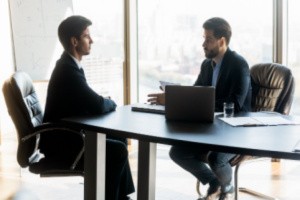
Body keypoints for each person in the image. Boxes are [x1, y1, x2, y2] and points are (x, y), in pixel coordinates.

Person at [148, 17, 252, 200]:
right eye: (203, 38)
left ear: (221, 41)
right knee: (177, 152)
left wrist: (186, 100)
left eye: (208, 39)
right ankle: (215, 182)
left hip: (235, 131)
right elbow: (195, 94)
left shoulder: (238, 64)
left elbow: (234, 105)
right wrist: (173, 97)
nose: (203, 44)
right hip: (212, 128)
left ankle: (226, 189)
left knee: (216, 158)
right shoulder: (207, 65)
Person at [40, 15, 134, 200]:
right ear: (74, 41)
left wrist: (101, 102)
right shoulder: (68, 70)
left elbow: (86, 101)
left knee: (119, 138)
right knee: (117, 150)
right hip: (62, 142)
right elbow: (97, 104)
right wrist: (110, 102)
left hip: (68, 134)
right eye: (86, 36)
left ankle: (121, 196)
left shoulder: (69, 65)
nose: (92, 40)